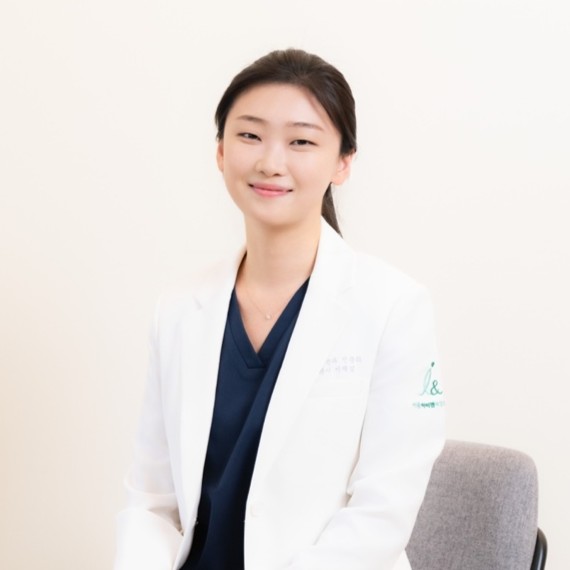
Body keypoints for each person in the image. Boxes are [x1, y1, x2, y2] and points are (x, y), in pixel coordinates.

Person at [115, 48, 445, 570]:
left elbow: (382, 516)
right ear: (220, 151)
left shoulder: (394, 308)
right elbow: (152, 502)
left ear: (343, 162)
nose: (271, 162)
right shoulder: (178, 310)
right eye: (249, 135)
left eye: (301, 141)